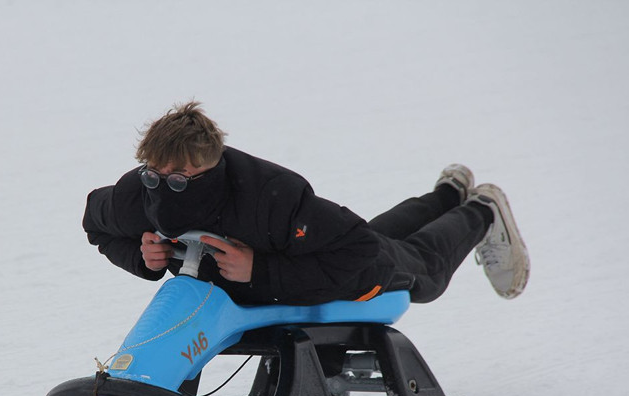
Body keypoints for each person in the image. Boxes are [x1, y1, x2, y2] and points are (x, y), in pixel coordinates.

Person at [83, 101, 530, 306]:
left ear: (210, 168)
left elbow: (358, 249)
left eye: (180, 179)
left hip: (351, 275)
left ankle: (483, 210)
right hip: (314, 251)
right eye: (154, 174)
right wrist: (142, 256)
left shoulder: (269, 198)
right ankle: (449, 193)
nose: (163, 187)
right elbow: (95, 223)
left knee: (422, 270)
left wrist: (260, 270)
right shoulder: (137, 193)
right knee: (380, 236)